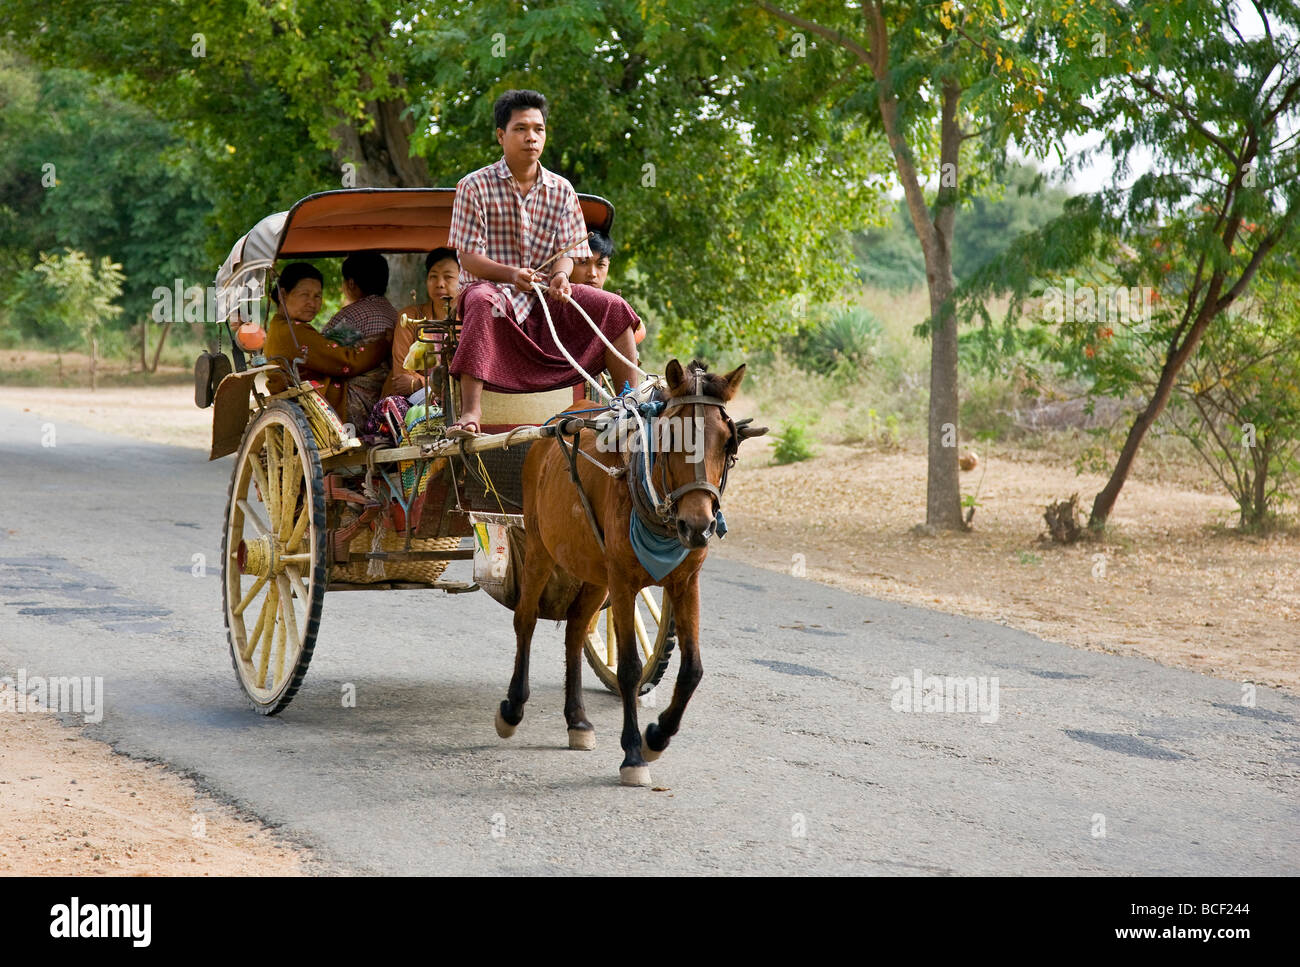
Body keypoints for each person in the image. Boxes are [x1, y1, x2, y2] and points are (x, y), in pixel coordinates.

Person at [445, 89, 641, 438]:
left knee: (613, 305)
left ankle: (631, 405)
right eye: (521, 129)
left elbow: (568, 249)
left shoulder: (562, 189)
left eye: (538, 129)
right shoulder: (473, 186)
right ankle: (471, 413)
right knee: (479, 300)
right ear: (501, 135)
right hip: (495, 292)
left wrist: (563, 277)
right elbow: (468, 257)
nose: (531, 137)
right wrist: (510, 275)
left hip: (545, 297)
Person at [262, 261, 392, 428]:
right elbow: (347, 362)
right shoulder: (292, 332)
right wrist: (383, 343)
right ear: (282, 294)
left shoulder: (281, 327)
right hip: (328, 406)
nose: (312, 303)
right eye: (304, 295)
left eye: (317, 296)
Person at [383, 248, 460, 400]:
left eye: (448, 277)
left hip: (462, 398)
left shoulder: (472, 320)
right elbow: (402, 376)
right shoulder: (410, 317)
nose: (440, 284)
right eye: (433, 276)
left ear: (463, 280)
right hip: (416, 399)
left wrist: (419, 383)